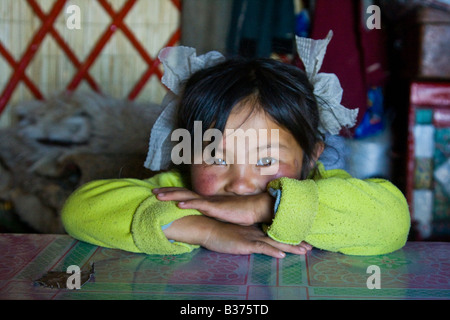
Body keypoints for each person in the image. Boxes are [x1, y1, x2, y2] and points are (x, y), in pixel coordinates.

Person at [61, 33, 410, 258]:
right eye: (215, 157)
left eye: (265, 159)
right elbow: (79, 211)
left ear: (311, 156)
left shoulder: (327, 191)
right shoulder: (178, 193)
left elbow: (393, 221)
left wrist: (266, 207)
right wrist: (205, 228)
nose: (241, 183)